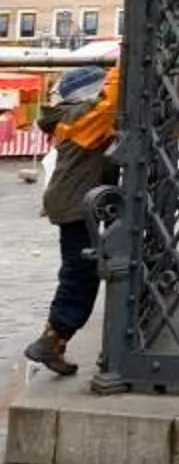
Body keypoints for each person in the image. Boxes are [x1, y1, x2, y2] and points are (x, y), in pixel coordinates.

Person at [24, 63, 121, 378]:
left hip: (75, 200)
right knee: (80, 273)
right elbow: (109, 106)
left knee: (79, 270)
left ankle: (55, 342)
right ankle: (53, 337)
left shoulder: (69, 115)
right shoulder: (80, 115)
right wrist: (124, 63)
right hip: (77, 204)